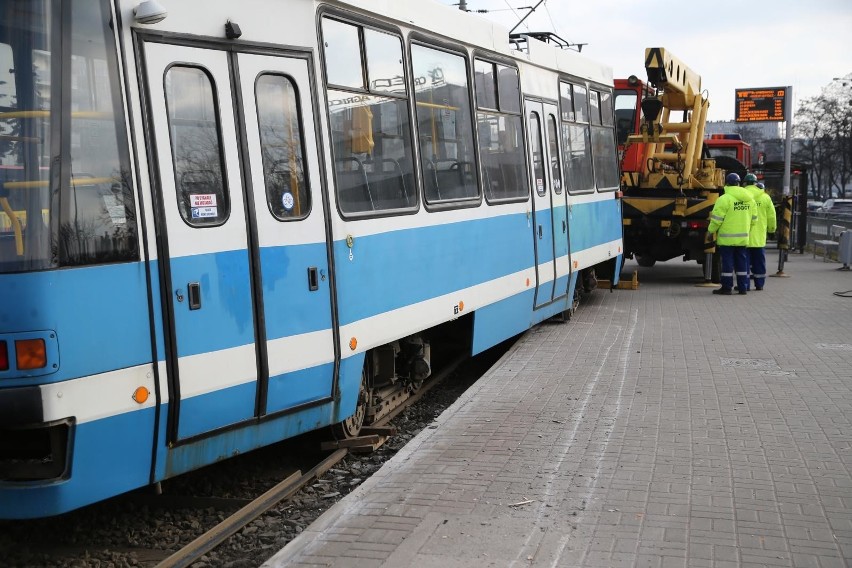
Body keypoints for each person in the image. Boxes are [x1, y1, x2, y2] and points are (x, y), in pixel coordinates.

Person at [708, 172, 757, 295]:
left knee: (727, 264)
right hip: (743, 238)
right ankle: (743, 287)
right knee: (742, 262)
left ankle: (727, 287)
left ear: (727, 184)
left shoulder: (724, 199)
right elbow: (754, 220)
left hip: (727, 239)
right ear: (739, 183)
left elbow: (717, 219)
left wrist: (711, 231)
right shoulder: (750, 199)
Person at [742, 177, 777, 290]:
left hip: (744, 236)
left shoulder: (741, 196)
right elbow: (772, 216)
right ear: (756, 183)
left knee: (744, 262)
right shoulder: (765, 197)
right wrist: (772, 230)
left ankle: (745, 285)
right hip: (759, 237)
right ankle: (759, 284)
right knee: (759, 262)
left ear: (745, 183)